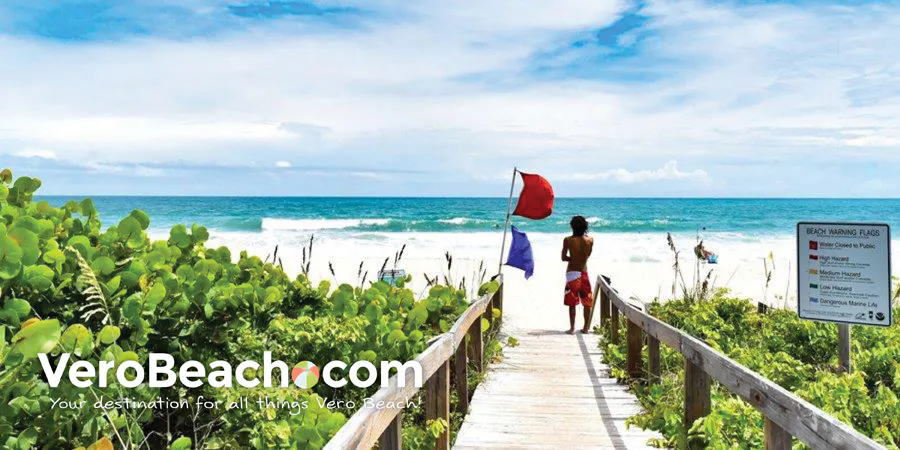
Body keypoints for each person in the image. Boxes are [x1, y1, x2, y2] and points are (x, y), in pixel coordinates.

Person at [561, 215, 594, 334]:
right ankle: (585, 328)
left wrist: (573, 258)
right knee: (587, 301)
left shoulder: (568, 240)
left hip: (571, 274)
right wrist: (580, 258)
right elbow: (588, 255)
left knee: (572, 302)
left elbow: (563, 257)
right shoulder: (590, 240)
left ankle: (571, 328)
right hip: (584, 272)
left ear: (572, 226)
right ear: (585, 226)